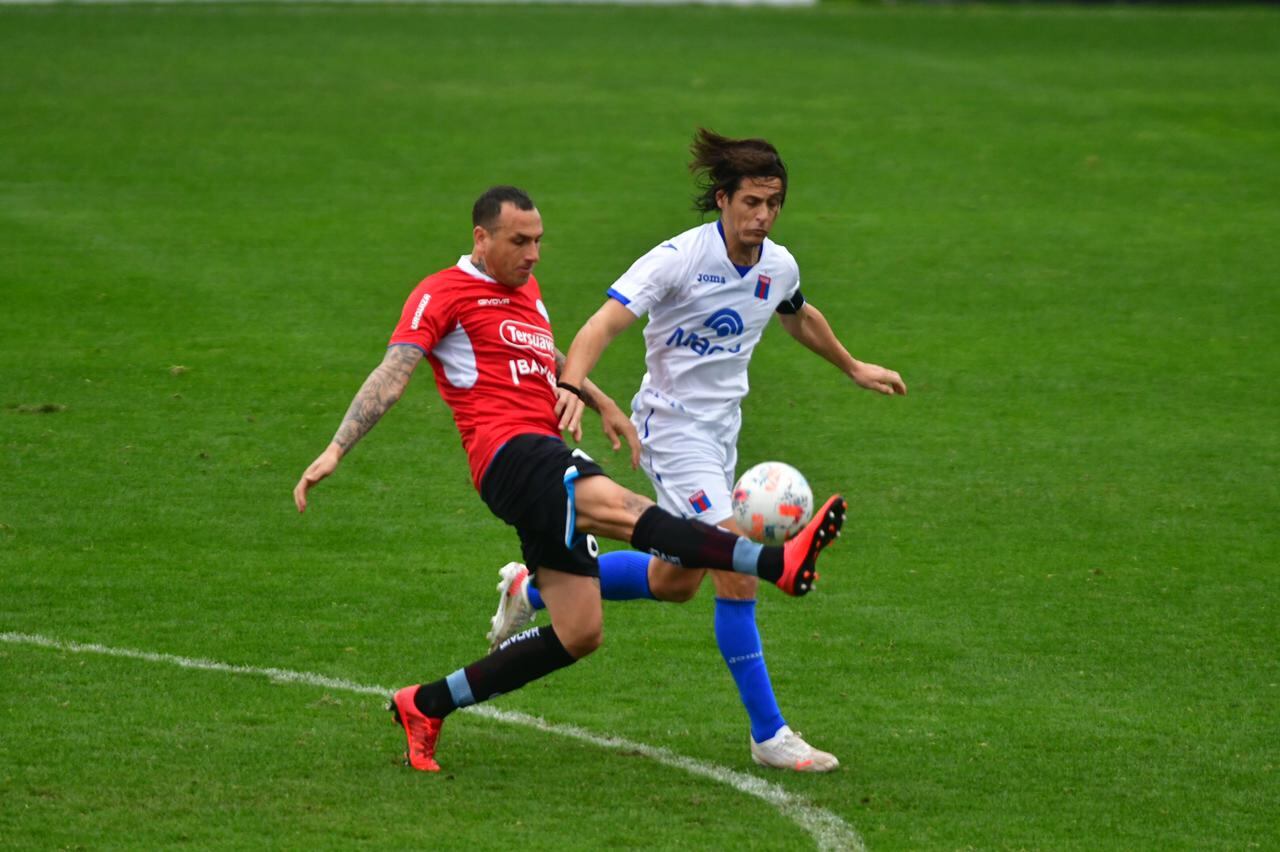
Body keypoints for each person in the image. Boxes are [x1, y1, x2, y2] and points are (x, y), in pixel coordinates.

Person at [293, 185, 847, 772]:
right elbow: (394, 371)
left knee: (580, 632)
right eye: (519, 241)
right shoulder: (441, 293)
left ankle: (427, 703)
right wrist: (336, 447)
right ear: (480, 238)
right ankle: (773, 565)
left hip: (543, 447)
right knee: (628, 510)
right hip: (510, 453)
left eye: (537, 241)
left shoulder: (525, 293)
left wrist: (600, 400)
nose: (533, 254)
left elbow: (544, 357)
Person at [485, 132, 906, 773]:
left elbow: (796, 312)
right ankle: (769, 734)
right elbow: (602, 324)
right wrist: (572, 385)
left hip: (722, 434)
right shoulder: (678, 258)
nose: (763, 216)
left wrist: (851, 366)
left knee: (673, 581)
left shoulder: (778, 265)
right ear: (723, 200)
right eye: (753, 202)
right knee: (735, 563)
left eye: (774, 204)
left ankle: (535, 587)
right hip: (672, 432)